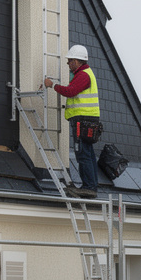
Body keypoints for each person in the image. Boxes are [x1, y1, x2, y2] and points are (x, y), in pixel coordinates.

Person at [44, 44, 100, 198]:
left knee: (82, 153)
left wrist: (52, 85)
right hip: (86, 120)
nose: (68, 63)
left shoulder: (83, 75)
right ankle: (90, 186)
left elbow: (70, 92)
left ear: (77, 61)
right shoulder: (84, 74)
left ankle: (88, 187)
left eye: (70, 61)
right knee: (87, 153)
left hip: (83, 120)